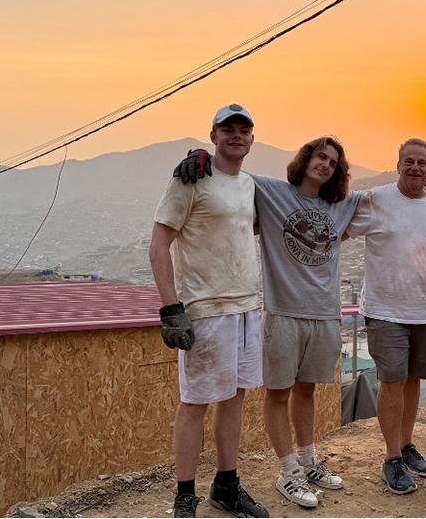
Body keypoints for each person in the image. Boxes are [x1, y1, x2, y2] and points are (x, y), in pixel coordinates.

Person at [174, 135, 361, 510]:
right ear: (306, 159)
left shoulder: (342, 205)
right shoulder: (271, 190)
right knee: (279, 393)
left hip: (325, 314)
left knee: (307, 390)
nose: (324, 164)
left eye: (332, 161)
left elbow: (385, 201)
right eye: (319, 156)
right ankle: (287, 469)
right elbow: (231, 170)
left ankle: (308, 461)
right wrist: (200, 156)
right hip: (283, 312)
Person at [149, 103, 269, 518]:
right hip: (206, 310)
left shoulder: (249, 184)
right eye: (227, 128)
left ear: (252, 138)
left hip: (246, 307)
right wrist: (170, 308)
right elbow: (158, 243)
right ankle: (184, 496)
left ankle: (226, 485)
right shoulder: (190, 178)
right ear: (213, 135)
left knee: (234, 400)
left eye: (244, 129)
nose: (237, 134)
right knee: (195, 403)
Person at [346, 138, 426, 495]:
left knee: (412, 380)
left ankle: (406, 445)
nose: (415, 167)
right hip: (384, 309)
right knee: (392, 381)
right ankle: (391, 457)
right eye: (408, 161)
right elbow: (340, 224)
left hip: (425, 309)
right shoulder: (376, 199)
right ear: (397, 165)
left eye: (422, 162)